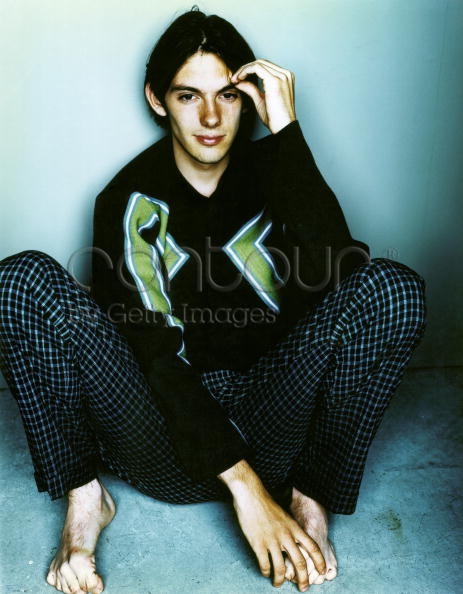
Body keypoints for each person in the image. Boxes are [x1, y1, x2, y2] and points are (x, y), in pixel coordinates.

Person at [0, 8, 426, 594]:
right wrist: (247, 491)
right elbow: (153, 356)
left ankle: (310, 502)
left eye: (228, 95)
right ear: (157, 99)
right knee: (19, 280)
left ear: (249, 98)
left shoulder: (280, 171)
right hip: (156, 437)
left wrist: (286, 130)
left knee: (393, 289)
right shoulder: (127, 197)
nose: (209, 117)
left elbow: (346, 280)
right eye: (188, 96)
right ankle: (86, 501)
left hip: (270, 424)